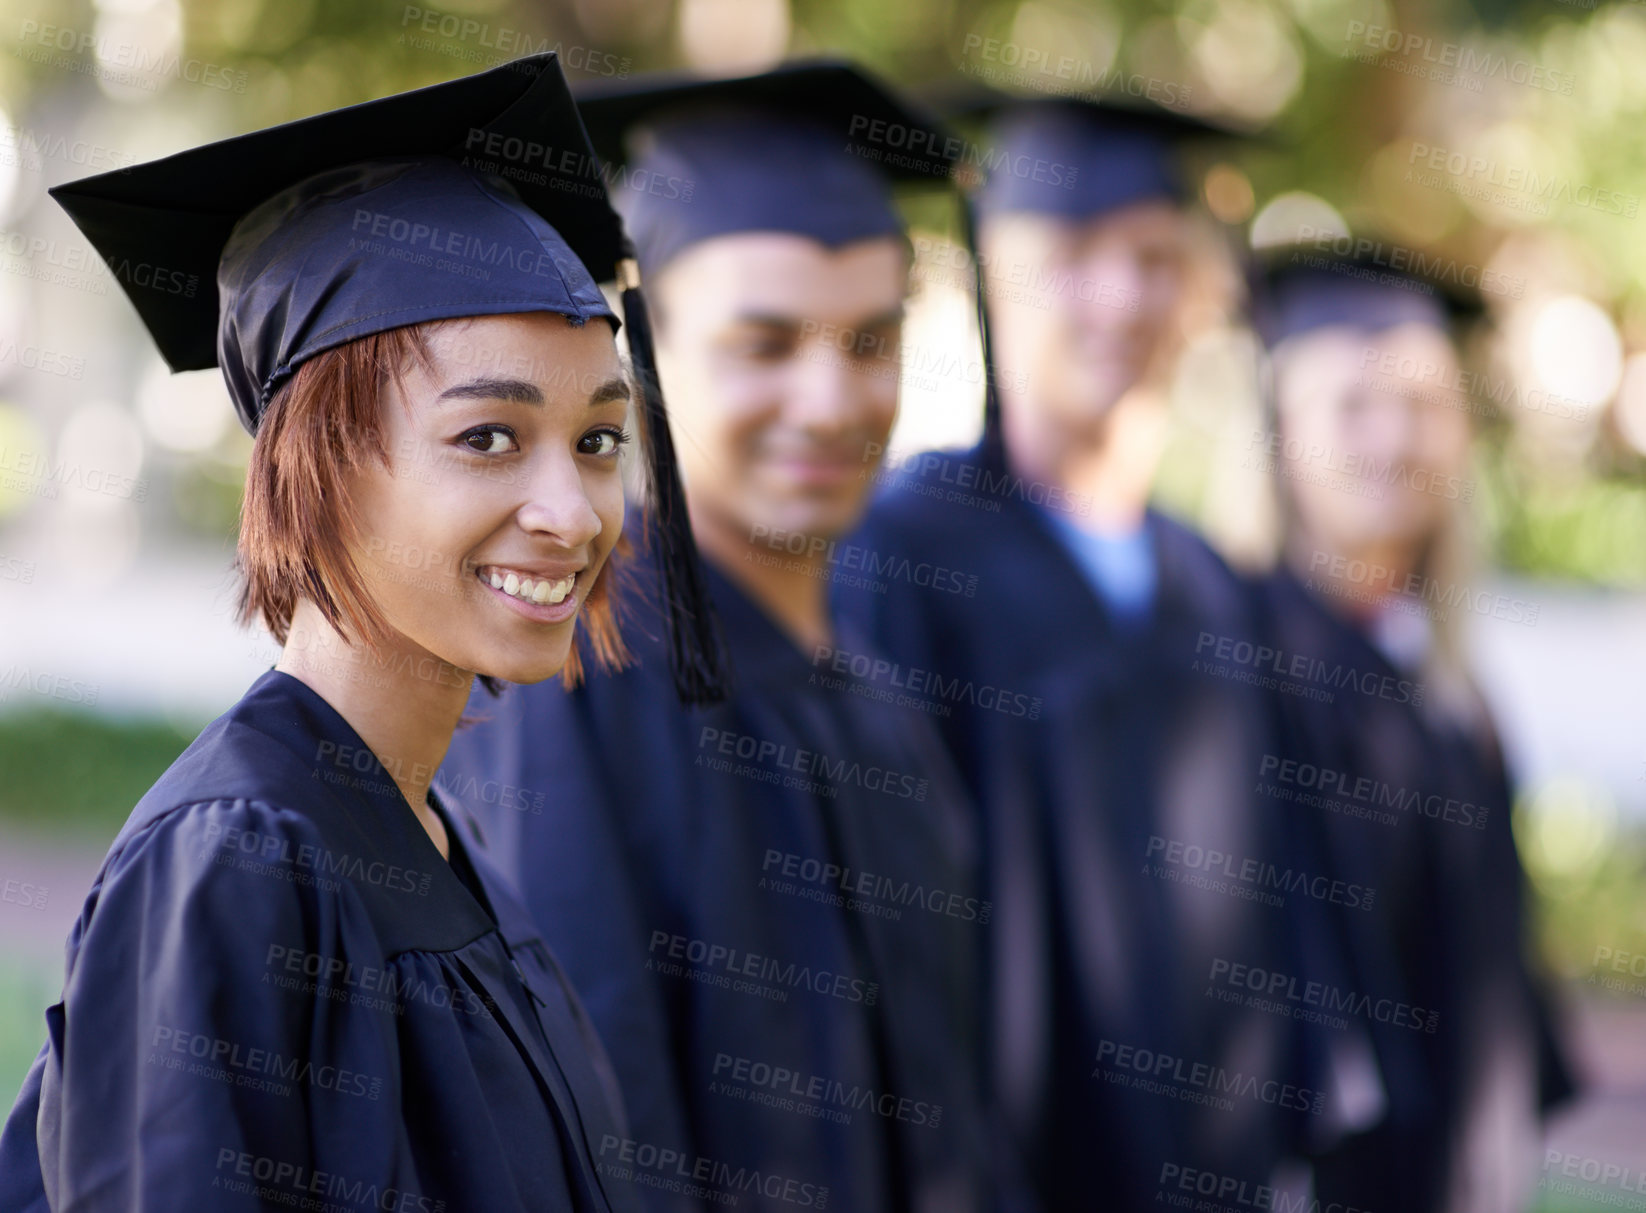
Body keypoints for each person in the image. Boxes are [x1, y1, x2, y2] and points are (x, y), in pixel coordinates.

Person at [0, 53, 725, 1213]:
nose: (571, 509)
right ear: (318, 471)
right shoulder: (234, 859)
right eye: (487, 436)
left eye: (596, 441)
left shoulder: (433, 833)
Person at [438, 61, 1021, 1213]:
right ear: (642, 354)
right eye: (763, 344)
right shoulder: (572, 670)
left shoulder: (873, 691)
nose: (828, 399)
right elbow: (589, 1129)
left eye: (868, 340)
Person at [835, 97, 1335, 1209]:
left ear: (1197, 293)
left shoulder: (1210, 582)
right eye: (1067, 260)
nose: (1118, 298)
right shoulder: (904, 558)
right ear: (990, 284)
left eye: (1153, 260)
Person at [1250, 245, 1575, 1212]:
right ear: (1279, 434)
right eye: (1351, 405)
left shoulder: (1447, 682)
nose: (1392, 440)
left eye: (1425, 405)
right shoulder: (1243, 667)